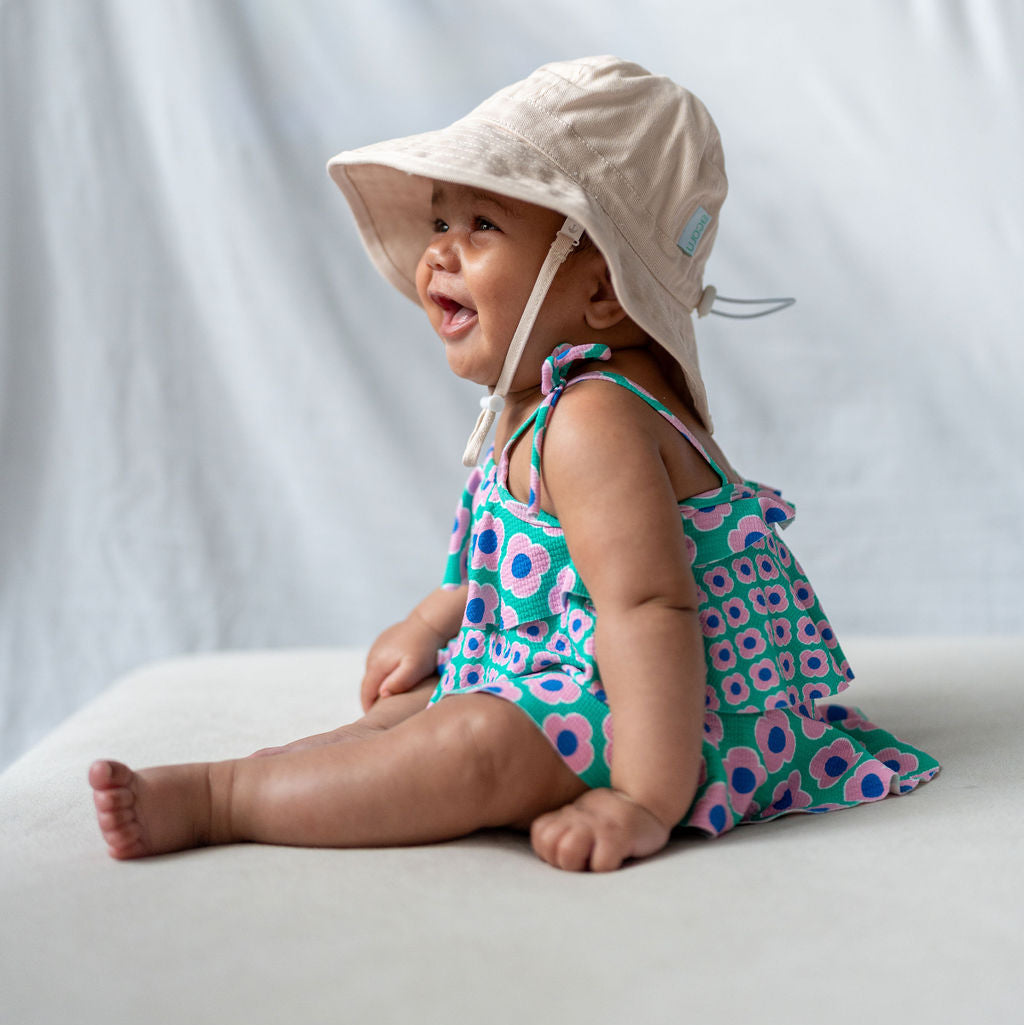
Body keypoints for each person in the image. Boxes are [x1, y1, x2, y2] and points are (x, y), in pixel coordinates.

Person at [89, 56, 939, 871]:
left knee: (474, 746)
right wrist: (433, 624)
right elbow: (541, 560)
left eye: (483, 225)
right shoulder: (541, 402)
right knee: (409, 713)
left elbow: (648, 607)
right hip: (574, 674)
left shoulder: (594, 417)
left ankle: (226, 799)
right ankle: (276, 775)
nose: (438, 254)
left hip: (677, 719)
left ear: (603, 291)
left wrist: (644, 797)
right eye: (439, 222)